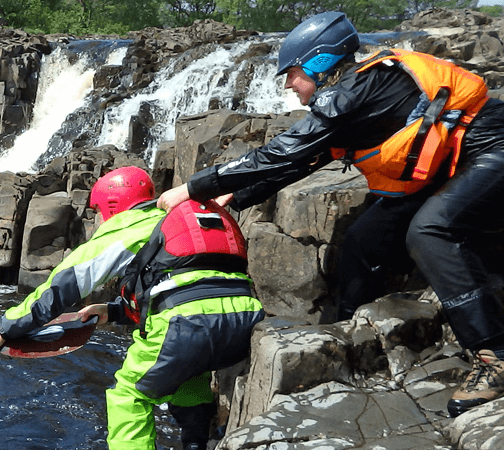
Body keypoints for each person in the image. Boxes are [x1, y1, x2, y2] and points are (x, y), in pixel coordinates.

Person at [156, 11, 504, 418]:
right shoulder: (349, 98)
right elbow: (299, 163)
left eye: (293, 73)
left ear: (320, 63)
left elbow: (283, 151)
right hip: (447, 166)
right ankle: (349, 336)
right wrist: (232, 197)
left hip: (490, 151)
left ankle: (494, 356)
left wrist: (192, 186)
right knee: (361, 241)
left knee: (430, 231)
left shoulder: (358, 89)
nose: (288, 84)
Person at [0, 166, 265, 450]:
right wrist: (114, 311)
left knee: (128, 395)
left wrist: (4, 329)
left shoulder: (125, 226)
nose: (100, 219)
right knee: (189, 371)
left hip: (185, 324)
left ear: (113, 206)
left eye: (100, 211)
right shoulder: (184, 214)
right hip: (245, 320)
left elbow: (62, 287)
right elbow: (191, 281)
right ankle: (196, 443)